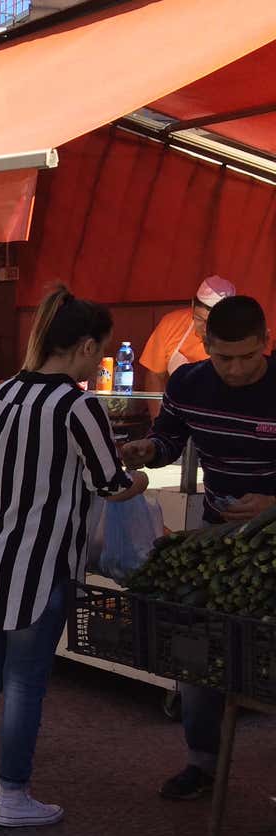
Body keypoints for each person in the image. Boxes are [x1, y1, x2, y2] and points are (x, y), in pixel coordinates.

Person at [0, 287, 148, 827]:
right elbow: (111, 483)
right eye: (98, 350)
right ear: (83, 347)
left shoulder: (5, 392)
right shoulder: (77, 404)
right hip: (40, 563)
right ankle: (13, 794)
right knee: (25, 681)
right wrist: (141, 476)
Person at [120, 295, 276, 801]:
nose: (233, 369)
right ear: (206, 346)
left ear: (266, 344)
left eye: (246, 357)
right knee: (200, 653)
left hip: (271, 538)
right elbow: (169, 437)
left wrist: (272, 502)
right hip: (216, 539)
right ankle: (201, 762)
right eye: (223, 357)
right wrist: (148, 449)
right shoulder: (188, 383)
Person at [138, 275, 236, 392]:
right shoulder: (171, 324)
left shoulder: (241, 337)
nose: (205, 328)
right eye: (199, 319)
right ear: (193, 305)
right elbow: (154, 375)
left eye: (213, 323)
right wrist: (160, 410)